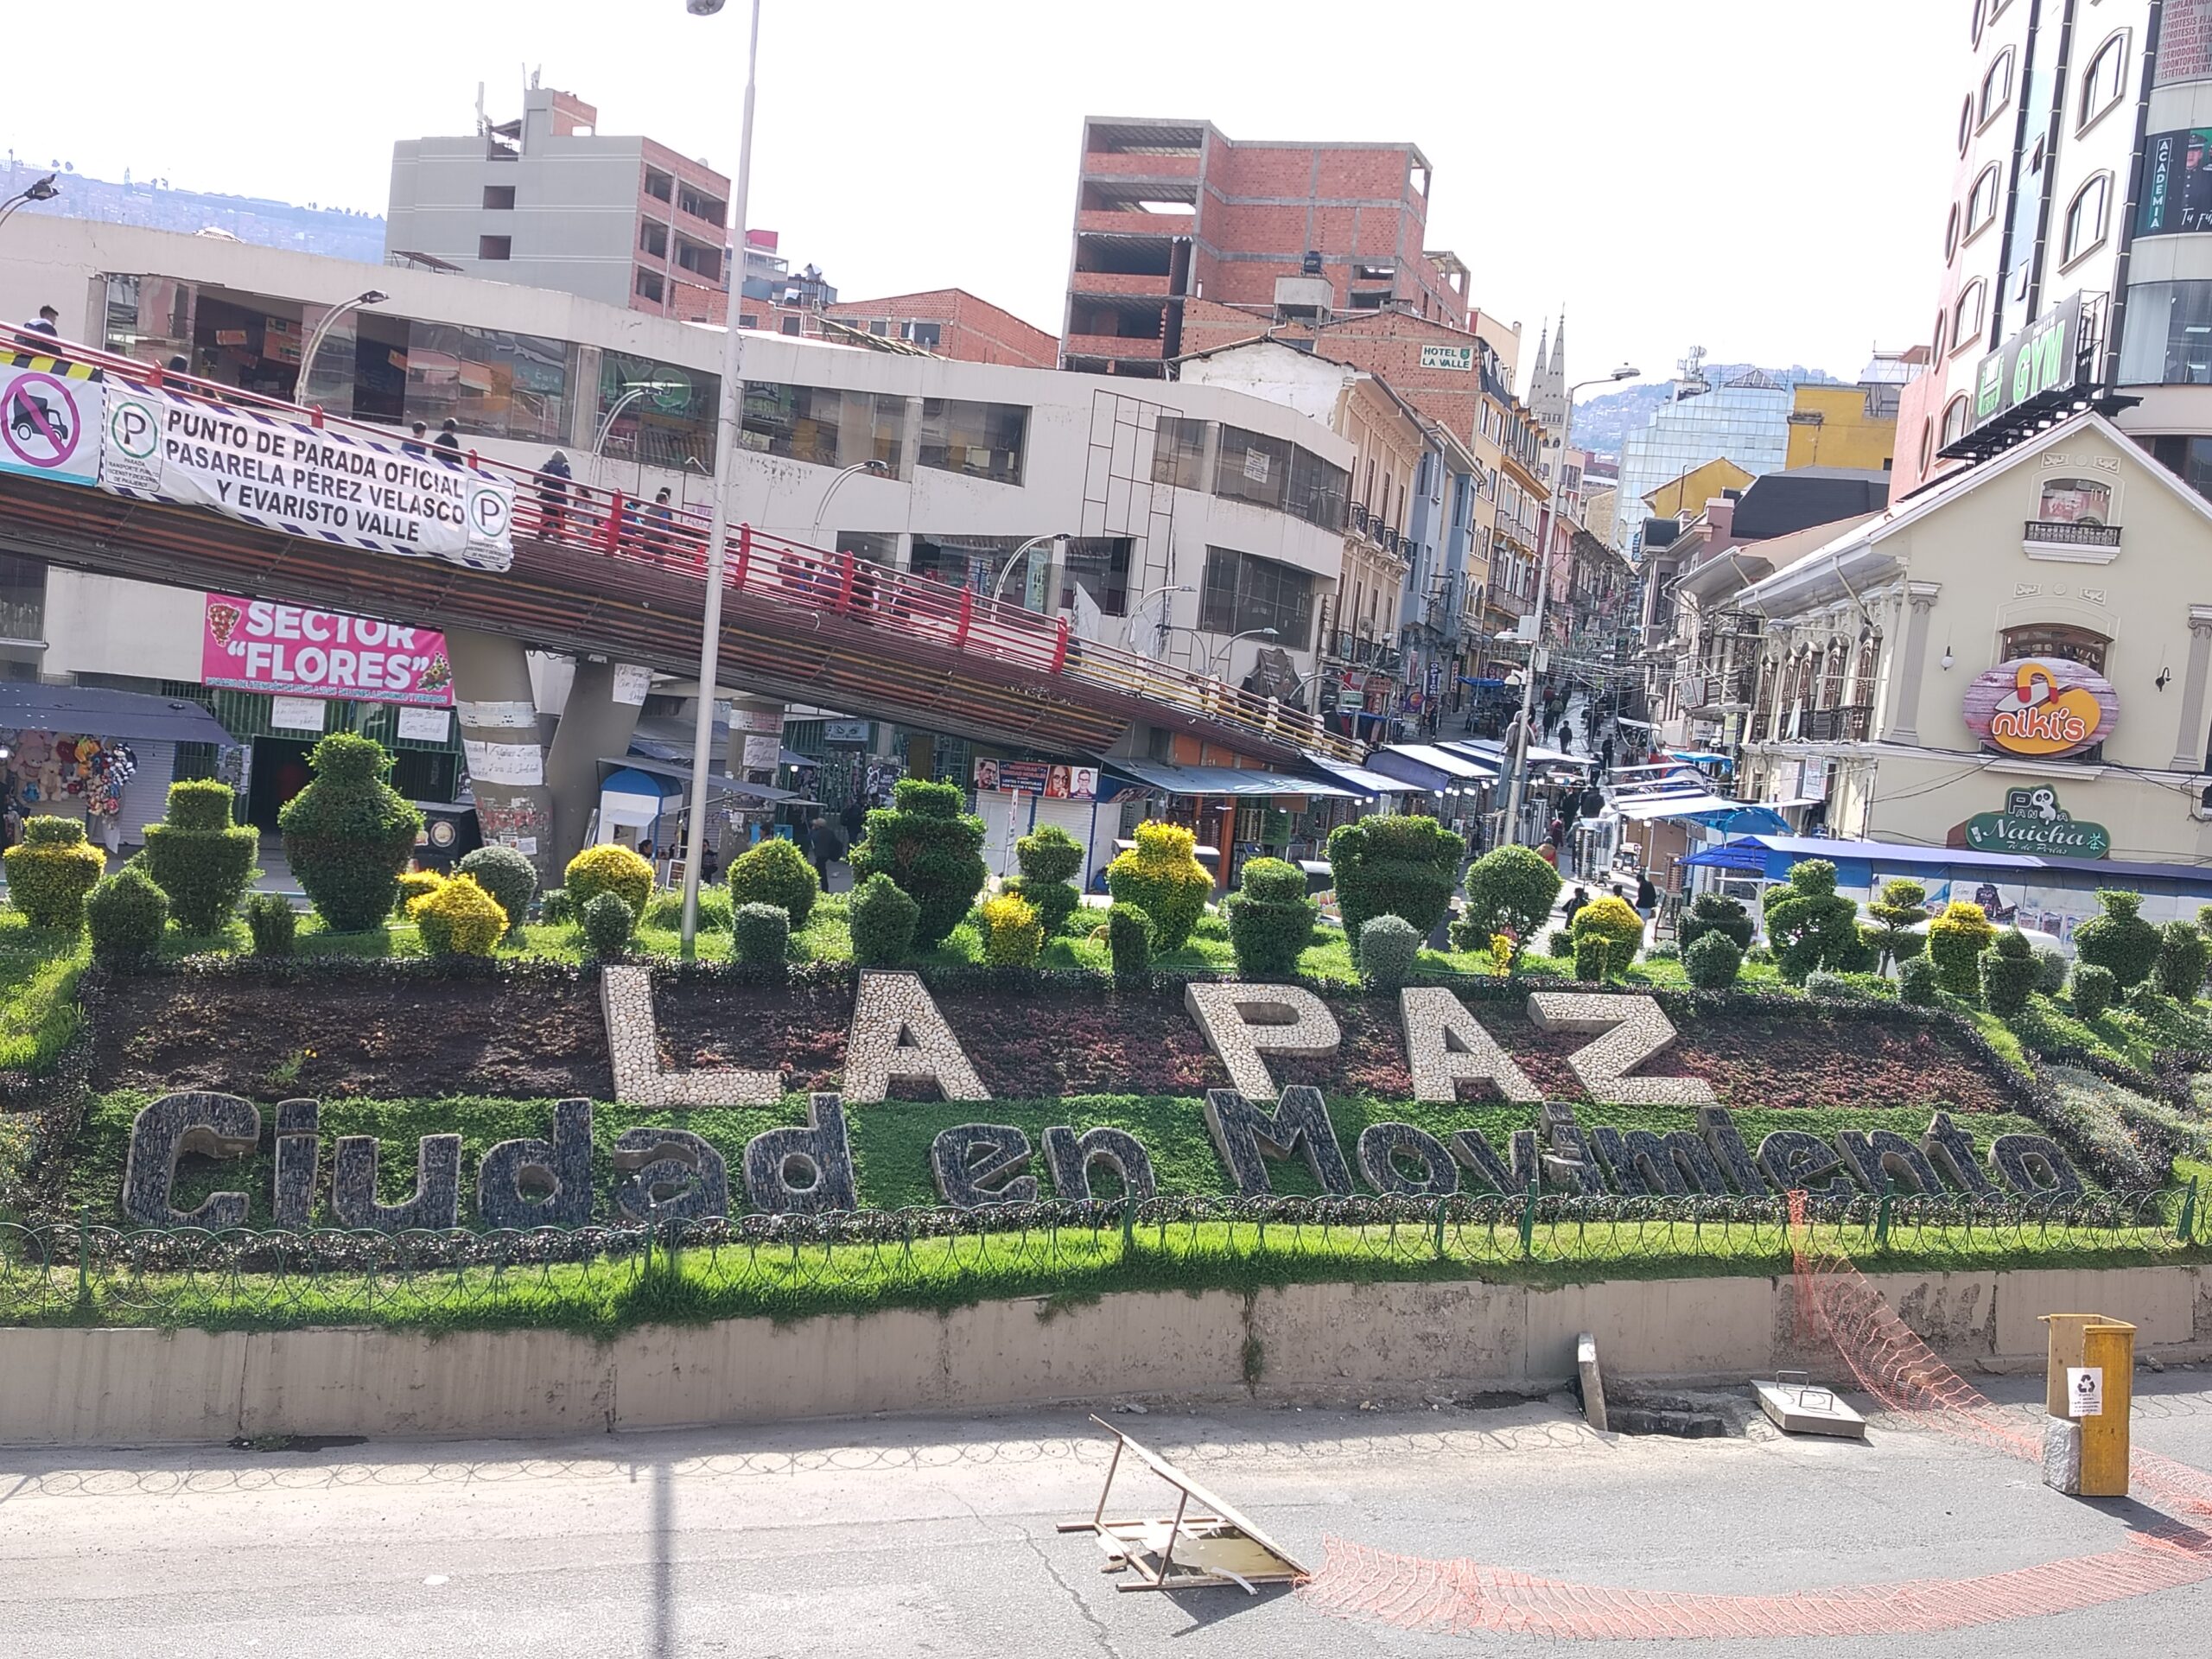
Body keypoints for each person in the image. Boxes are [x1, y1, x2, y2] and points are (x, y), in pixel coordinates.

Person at [808, 812, 848, 891]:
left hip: (820, 854)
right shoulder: (829, 832)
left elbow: (811, 839)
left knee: (820, 872)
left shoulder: (818, 833)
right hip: (826, 854)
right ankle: (822, 888)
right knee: (819, 870)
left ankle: (822, 888)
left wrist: (812, 831)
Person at [537, 449, 571, 537]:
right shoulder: (558, 468)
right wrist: (566, 469)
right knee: (560, 527)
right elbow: (568, 479)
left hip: (547, 500)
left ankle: (540, 540)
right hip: (558, 501)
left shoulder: (547, 467)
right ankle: (560, 543)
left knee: (544, 524)